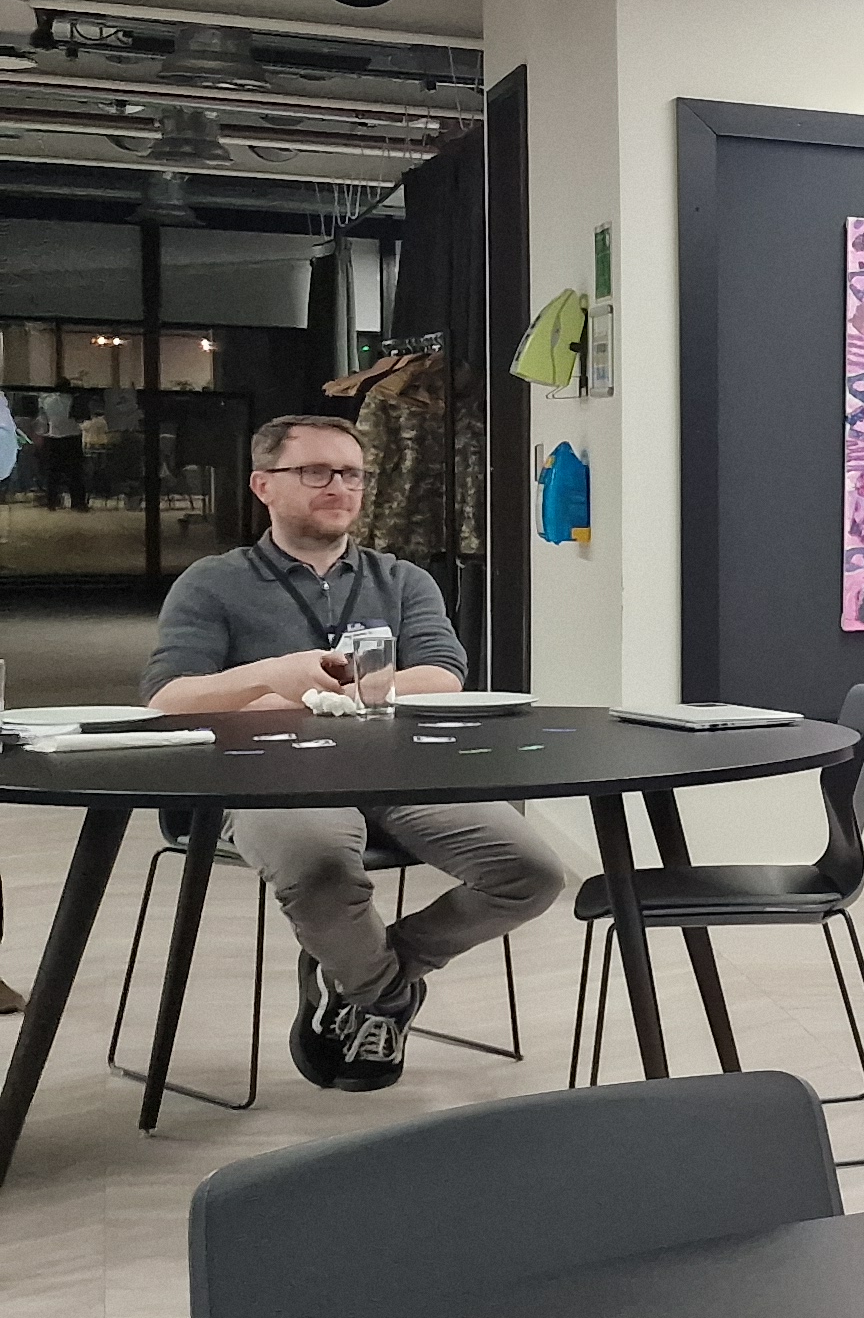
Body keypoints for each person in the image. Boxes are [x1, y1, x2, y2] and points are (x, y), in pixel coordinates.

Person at [142, 415, 567, 1091]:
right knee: (318, 869)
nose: (338, 486)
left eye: (352, 473)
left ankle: (355, 975)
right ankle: (387, 998)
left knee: (533, 871)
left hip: (402, 770)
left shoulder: (401, 580)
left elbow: (442, 677)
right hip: (271, 779)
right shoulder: (213, 583)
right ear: (263, 485)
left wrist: (323, 692)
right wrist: (273, 675)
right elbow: (169, 699)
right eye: (315, 471)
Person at [35, 381, 85, 511]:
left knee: (53, 473)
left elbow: (43, 420)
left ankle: (52, 502)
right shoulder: (74, 398)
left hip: (53, 437)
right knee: (75, 473)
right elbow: (81, 418)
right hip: (72, 437)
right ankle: (78, 503)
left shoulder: (45, 399)